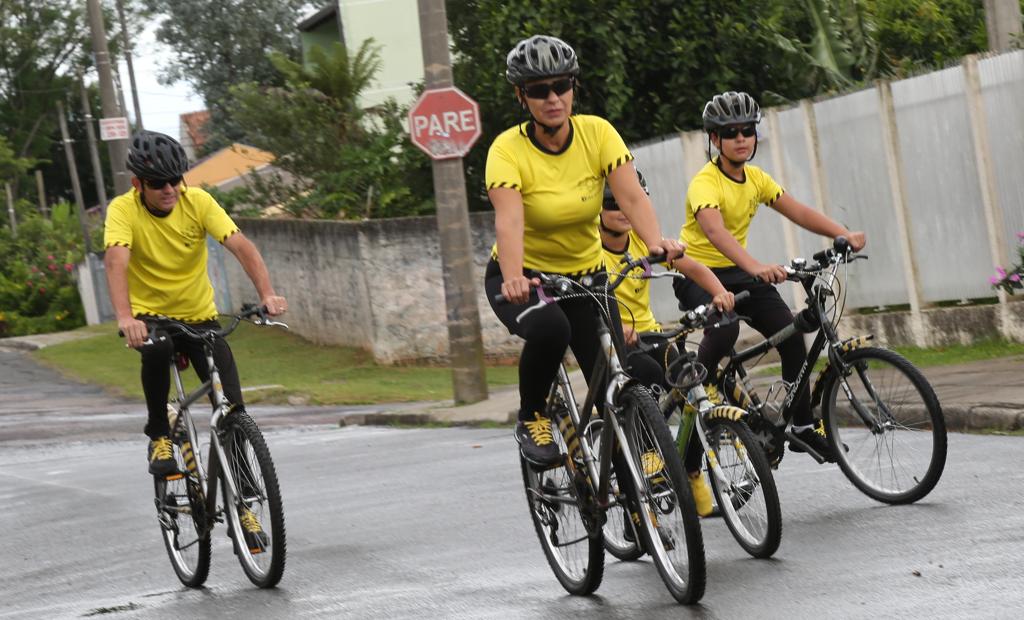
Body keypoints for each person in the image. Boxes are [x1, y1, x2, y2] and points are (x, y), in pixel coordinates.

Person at [483, 34, 685, 467]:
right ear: (522, 96)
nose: (553, 98)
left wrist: (656, 243)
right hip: (525, 279)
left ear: (574, 88)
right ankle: (533, 415)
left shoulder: (598, 134)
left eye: (562, 87)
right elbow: (510, 219)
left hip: (586, 277)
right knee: (552, 330)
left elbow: (631, 196)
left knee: (614, 379)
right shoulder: (506, 149)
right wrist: (516, 275)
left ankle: (630, 489)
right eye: (539, 90)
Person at [674, 91, 867, 461]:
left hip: (740, 271)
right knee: (725, 327)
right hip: (698, 273)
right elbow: (715, 233)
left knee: (792, 334)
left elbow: (797, 211)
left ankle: (803, 426)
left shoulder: (756, 178)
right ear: (714, 140)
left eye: (748, 130)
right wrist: (757, 267)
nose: (742, 138)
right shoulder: (705, 183)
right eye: (731, 132)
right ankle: (700, 384)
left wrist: (840, 233)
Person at [104, 131, 287, 504]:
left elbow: (240, 245)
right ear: (138, 184)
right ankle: (159, 435)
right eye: (158, 183)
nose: (169, 189)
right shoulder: (123, 210)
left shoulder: (198, 202)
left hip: (200, 317)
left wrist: (267, 293)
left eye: (176, 179)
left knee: (232, 408)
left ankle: (246, 499)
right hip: (150, 318)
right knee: (156, 349)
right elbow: (116, 260)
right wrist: (126, 317)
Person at [599, 169, 734, 517]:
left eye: (628, 201)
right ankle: (646, 454)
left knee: (694, 381)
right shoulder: (589, 251)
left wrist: (719, 293)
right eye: (610, 202)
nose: (621, 209)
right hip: (613, 343)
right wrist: (616, 329)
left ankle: (691, 473)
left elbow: (692, 267)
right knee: (643, 377)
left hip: (651, 333)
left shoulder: (645, 242)